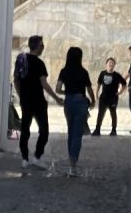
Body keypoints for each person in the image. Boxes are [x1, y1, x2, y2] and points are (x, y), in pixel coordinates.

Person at [16, 36, 61, 171]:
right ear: (37, 46)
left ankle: (25, 159)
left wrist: (21, 95)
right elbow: (44, 84)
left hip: (26, 101)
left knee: (25, 130)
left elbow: (16, 80)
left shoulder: (21, 60)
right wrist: (56, 98)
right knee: (44, 131)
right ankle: (37, 156)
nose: (43, 47)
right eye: (42, 45)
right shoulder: (39, 64)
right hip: (38, 101)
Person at [56, 47, 96, 176]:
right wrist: (93, 100)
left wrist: (66, 92)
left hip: (68, 102)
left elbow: (57, 89)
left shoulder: (64, 71)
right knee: (77, 134)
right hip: (80, 102)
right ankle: (73, 166)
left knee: (71, 132)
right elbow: (89, 89)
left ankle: (71, 162)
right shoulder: (83, 72)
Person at [92, 58, 125, 136]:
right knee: (100, 113)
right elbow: (99, 84)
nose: (111, 64)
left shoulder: (116, 75)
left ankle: (113, 130)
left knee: (113, 113)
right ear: (106, 64)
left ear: (114, 65)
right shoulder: (102, 73)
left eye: (113, 63)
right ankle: (97, 129)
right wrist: (96, 94)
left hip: (113, 98)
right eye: (110, 62)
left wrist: (120, 92)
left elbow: (124, 84)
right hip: (103, 97)